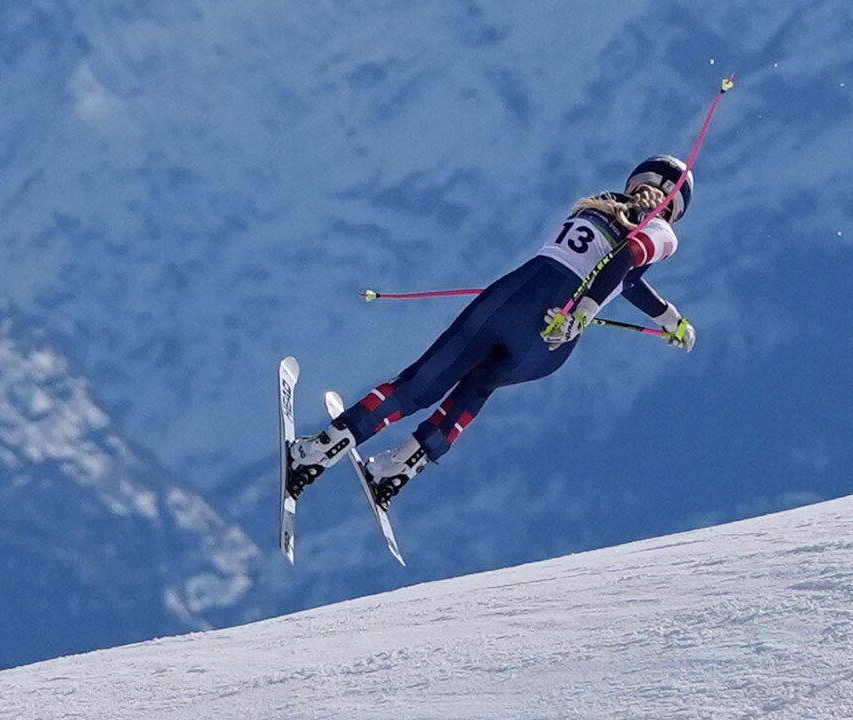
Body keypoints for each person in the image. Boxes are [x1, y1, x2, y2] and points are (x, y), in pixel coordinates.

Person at [286, 155, 699, 510]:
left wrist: (644, 313)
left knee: (420, 386)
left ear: (636, 180)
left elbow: (622, 264)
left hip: (516, 299)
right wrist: (663, 319)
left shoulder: (602, 203)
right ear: (676, 208)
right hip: (552, 343)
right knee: (479, 388)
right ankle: (400, 467)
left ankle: (320, 452)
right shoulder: (662, 232)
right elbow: (625, 269)